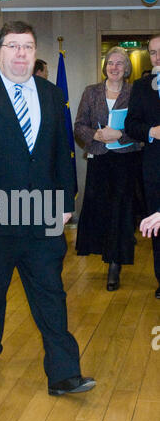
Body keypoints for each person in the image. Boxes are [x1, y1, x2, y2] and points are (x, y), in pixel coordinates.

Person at [0, 21, 96, 396]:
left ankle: (63, 373)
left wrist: (64, 201)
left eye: (27, 46)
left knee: (50, 293)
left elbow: (62, 150)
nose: (21, 54)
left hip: (42, 212)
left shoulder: (49, 93)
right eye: (12, 46)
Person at [74, 46, 142, 291]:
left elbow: (143, 130)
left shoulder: (136, 93)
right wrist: (96, 135)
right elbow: (79, 125)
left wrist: (120, 134)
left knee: (121, 211)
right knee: (101, 209)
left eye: (119, 63)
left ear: (126, 69)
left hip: (126, 161)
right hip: (99, 158)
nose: (114, 67)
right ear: (105, 67)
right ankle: (104, 251)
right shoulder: (90, 92)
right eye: (110, 63)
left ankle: (115, 262)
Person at [125, 34, 160, 299]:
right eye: (153, 52)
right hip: (154, 167)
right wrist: (151, 131)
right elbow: (131, 125)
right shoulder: (141, 86)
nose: (157, 57)